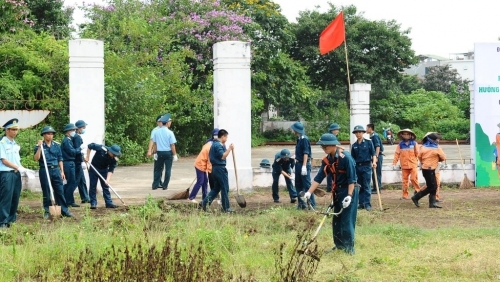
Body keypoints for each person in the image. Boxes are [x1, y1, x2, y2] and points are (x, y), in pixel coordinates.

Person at [303, 133, 358, 254]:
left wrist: (349, 196)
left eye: (326, 146)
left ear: (334, 145)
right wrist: (309, 192)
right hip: (337, 190)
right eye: (322, 146)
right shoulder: (327, 160)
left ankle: (349, 248)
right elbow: (319, 177)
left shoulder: (346, 158)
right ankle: (339, 246)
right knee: (336, 219)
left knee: (346, 220)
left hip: (350, 190)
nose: (324, 148)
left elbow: (352, 179)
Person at [34, 126, 72, 219]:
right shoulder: (40, 146)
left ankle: (64, 210)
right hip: (45, 170)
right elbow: (36, 159)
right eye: (48, 134)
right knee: (46, 191)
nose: (50, 136)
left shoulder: (56, 145)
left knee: (60, 190)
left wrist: (62, 171)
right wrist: (39, 147)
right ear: (43, 135)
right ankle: (47, 211)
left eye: (51, 134)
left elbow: (60, 159)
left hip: (56, 170)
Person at [200, 129, 234, 213]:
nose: (226, 139)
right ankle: (226, 208)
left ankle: (204, 203)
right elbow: (222, 156)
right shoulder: (218, 145)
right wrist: (229, 149)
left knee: (216, 188)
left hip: (215, 169)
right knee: (225, 188)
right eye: (226, 137)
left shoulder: (215, 144)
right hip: (220, 169)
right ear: (222, 137)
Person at [0, 119, 25, 228]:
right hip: (7, 174)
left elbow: (16, 160)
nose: (15, 132)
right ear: (7, 130)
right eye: (13, 129)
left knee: (15, 197)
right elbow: (4, 160)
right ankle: (3, 222)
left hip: (16, 174)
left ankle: (11, 220)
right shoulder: (2, 143)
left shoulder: (15, 144)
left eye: (17, 130)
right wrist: (18, 167)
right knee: (6, 198)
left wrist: (22, 168)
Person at [411, 132, 446, 208]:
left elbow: (419, 157)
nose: (438, 141)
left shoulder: (422, 147)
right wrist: (436, 159)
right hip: (431, 169)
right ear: (431, 140)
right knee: (432, 187)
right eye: (436, 139)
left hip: (425, 169)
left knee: (434, 186)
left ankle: (432, 203)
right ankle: (416, 197)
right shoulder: (437, 148)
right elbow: (443, 158)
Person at [85, 143, 122, 209]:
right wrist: (87, 157)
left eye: (115, 155)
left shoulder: (114, 159)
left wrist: (107, 180)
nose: (114, 156)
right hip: (94, 168)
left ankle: (109, 203)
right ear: (110, 151)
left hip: (104, 170)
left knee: (105, 186)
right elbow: (89, 146)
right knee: (93, 186)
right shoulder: (101, 148)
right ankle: (93, 203)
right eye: (113, 154)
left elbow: (111, 170)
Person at [188, 128, 219, 203]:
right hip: (200, 165)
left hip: (202, 164)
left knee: (205, 181)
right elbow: (209, 161)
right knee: (200, 181)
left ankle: (204, 198)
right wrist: (211, 171)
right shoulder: (211, 146)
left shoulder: (209, 142)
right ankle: (191, 197)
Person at [350, 125, 376, 211]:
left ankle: (367, 204)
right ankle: (361, 203)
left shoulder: (369, 142)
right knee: (359, 186)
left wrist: (374, 162)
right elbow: (352, 158)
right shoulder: (354, 146)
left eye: (360, 132)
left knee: (366, 185)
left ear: (363, 133)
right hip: (357, 167)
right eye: (356, 132)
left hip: (367, 166)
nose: (358, 134)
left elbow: (373, 154)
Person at [290, 121, 315, 209]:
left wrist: (304, 166)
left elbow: (306, 153)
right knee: (298, 184)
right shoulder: (299, 138)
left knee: (307, 185)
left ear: (296, 130)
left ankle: (312, 204)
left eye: (293, 129)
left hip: (303, 164)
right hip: (298, 163)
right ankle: (301, 204)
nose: (292, 131)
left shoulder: (304, 139)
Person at [392, 129, 421, 199]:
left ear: (411, 135)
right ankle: (405, 195)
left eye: (407, 134)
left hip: (413, 164)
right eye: (404, 134)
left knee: (413, 178)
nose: (406, 135)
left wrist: (421, 162)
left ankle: (418, 191)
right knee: (405, 181)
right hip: (404, 165)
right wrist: (394, 163)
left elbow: (418, 154)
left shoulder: (414, 144)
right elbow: (397, 154)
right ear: (402, 135)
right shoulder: (400, 144)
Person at [151, 114, 178, 190]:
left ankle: (155, 185)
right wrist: (175, 154)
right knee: (168, 169)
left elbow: (155, 144)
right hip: (168, 153)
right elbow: (172, 145)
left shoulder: (156, 132)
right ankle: (165, 186)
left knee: (157, 169)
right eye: (170, 121)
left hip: (159, 152)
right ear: (166, 123)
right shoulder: (170, 132)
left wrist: (155, 153)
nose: (170, 123)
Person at [61, 123, 82, 208]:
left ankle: (69, 200)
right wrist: (79, 149)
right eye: (73, 130)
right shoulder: (66, 141)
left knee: (71, 182)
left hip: (70, 162)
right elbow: (72, 152)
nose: (74, 132)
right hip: (68, 162)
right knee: (71, 182)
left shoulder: (69, 140)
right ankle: (68, 201)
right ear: (68, 132)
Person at [73, 120, 90, 203]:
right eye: (83, 127)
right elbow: (77, 150)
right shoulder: (76, 137)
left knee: (81, 180)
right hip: (76, 162)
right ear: (79, 128)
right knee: (76, 181)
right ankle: (66, 196)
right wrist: (81, 157)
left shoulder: (77, 136)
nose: (84, 129)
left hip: (78, 161)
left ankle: (85, 197)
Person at [147, 115, 164, 189]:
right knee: (157, 168)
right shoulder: (155, 130)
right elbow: (152, 140)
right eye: (160, 121)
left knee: (161, 167)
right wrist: (150, 150)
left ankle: (159, 181)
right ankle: (156, 182)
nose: (161, 122)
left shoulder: (164, 129)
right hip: (157, 151)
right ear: (157, 122)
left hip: (163, 151)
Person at [366, 123, 384, 193]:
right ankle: (375, 187)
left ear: (370, 128)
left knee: (377, 172)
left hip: (378, 156)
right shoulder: (371, 136)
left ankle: (378, 188)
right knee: (374, 172)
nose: (366, 129)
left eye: (367, 128)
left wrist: (376, 157)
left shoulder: (375, 136)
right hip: (375, 156)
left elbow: (378, 146)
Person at [326, 123, 340, 192]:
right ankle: (329, 187)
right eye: (336, 129)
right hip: (331, 156)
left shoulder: (334, 136)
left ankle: (332, 186)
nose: (338, 131)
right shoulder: (330, 137)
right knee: (330, 170)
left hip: (335, 155)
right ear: (332, 130)